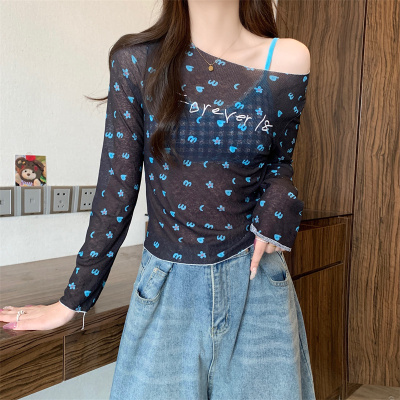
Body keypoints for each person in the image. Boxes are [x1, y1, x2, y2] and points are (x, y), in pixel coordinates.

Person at [1, 0, 315, 398]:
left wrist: (278, 209)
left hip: (257, 286)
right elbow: (116, 188)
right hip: (167, 286)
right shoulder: (137, 60)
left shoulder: (287, 59)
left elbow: (279, 165)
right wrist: (73, 300)